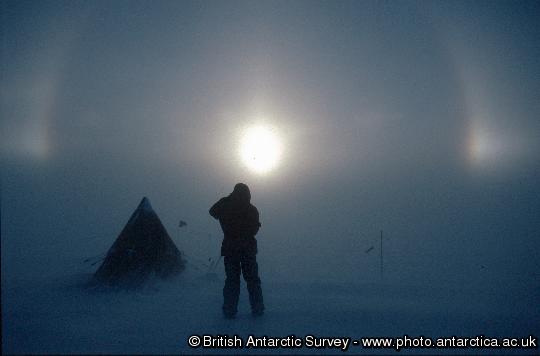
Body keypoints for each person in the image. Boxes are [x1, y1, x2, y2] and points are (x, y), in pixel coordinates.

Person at [209, 183, 264, 319]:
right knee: (252, 281)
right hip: (247, 250)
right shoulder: (252, 209)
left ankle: (229, 310)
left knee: (232, 281)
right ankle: (257, 309)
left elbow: (213, 211)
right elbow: (254, 230)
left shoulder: (226, 205)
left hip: (230, 249)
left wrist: (227, 200)